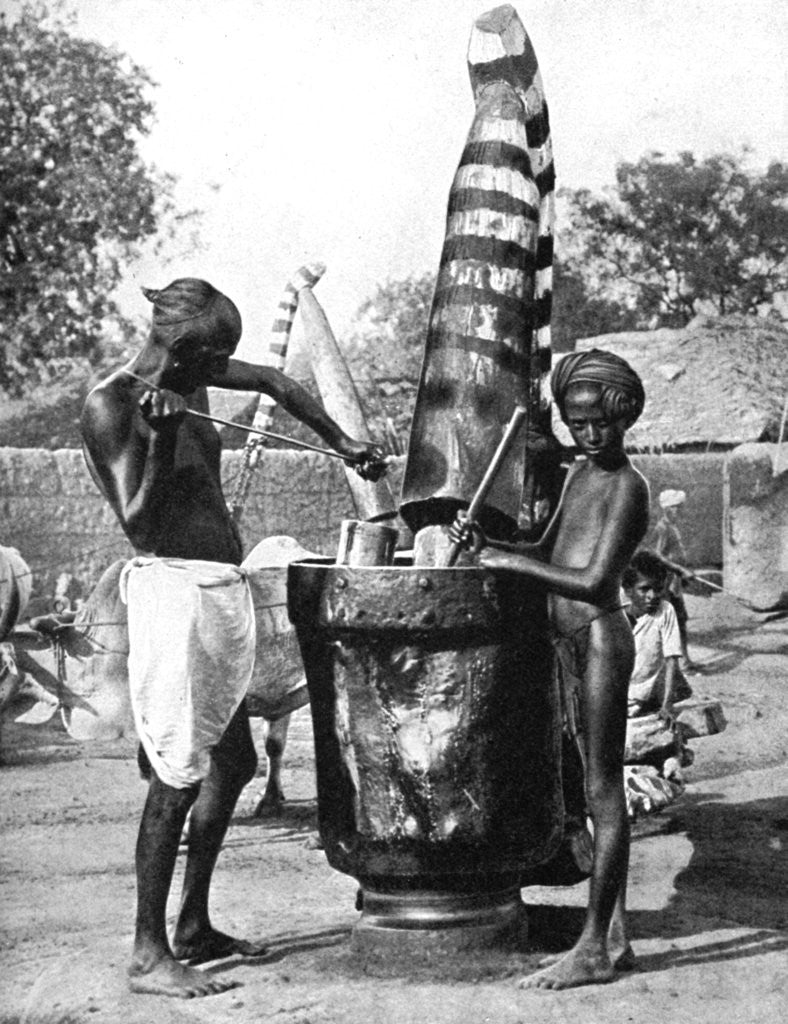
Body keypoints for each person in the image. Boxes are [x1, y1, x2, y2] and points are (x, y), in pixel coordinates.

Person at [81, 277, 385, 998]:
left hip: (221, 588)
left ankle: (193, 925)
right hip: (173, 593)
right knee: (177, 773)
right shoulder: (113, 403)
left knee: (233, 763)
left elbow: (277, 381)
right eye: (214, 356)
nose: (222, 369)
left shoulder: (192, 376)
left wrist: (345, 444)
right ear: (182, 347)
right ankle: (149, 952)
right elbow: (140, 521)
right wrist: (159, 434)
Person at [450, 348, 649, 990]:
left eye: (602, 424)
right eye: (578, 423)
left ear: (625, 417)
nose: (591, 436)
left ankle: (593, 948)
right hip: (568, 643)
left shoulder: (627, 486)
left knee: (603, 791)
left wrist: (510, 567)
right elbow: (544, 551)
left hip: (599, 640)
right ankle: (613, 937)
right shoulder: (580, 476)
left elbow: (593, 581)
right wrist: (490, 546)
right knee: (588, 791)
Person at [622, 549, 691, 721]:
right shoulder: (615, 614)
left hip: (652, 693)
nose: (652, 596)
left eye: (658, 589)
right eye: (644, 589)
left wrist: (667, 705)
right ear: (628, 590)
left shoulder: (665, 610)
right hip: (621, 696)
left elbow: (671, 660)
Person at [653, 489, 698, 671]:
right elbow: (658, 555)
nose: (681, 510)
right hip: (665, 583)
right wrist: (679, 569)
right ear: (668, 509)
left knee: (681, 620)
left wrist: (684, 571)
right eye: (678, 507)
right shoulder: (662, 528)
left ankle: (685, 662)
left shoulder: (672, 526)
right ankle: (670, 666)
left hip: (675, 582)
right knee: (668, 623)